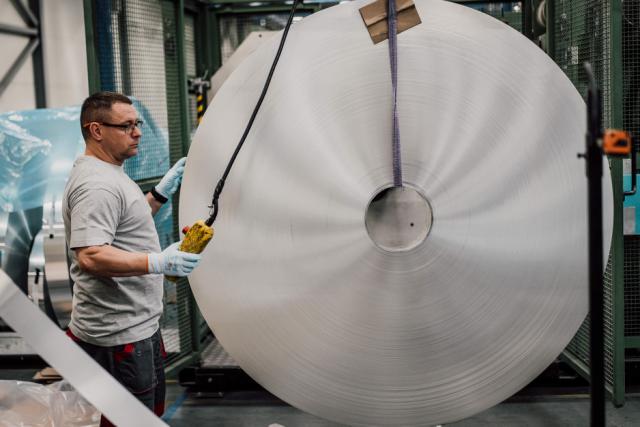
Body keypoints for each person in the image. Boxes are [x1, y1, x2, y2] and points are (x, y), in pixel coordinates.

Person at [62, 91, 200, 425]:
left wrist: (158, 195)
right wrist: (157, 262)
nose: (137, 132)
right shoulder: (97, 186)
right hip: (118, 337)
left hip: (133, 327)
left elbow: (122, 227)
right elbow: (91, 255)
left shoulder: (110, 172)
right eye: (126, 126)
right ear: (97, 130)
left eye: (136, 124)